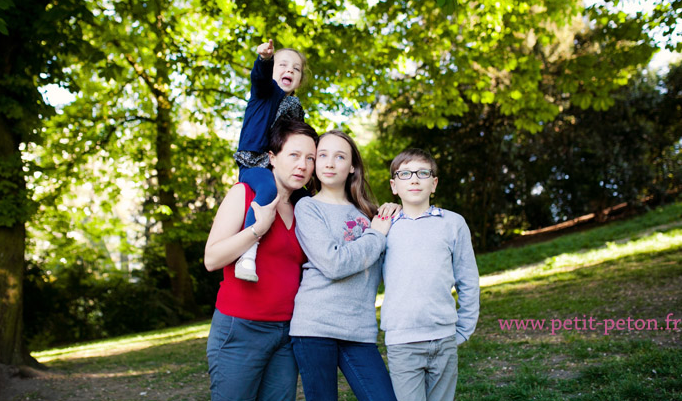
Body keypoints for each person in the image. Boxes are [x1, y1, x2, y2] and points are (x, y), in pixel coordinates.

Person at [204, 118, 318, 401]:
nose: (302, 165)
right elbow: (212, 258)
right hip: (240, 329)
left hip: (287, 333)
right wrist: (257, 229)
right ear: (272, 157)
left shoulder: (305, 209)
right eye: (293, 155)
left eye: (310, 158)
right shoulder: (244, 194)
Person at [290, 130, 399, 401]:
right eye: (322, 155)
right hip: (315, 327)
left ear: (351, 167)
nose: (329, 163)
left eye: (339, 157)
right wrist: (377, 235)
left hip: (359, 329)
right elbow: (334, 263)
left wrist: (398, 213)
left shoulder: (369, 213)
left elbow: (390, 266)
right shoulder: (307, 208)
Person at [381, 148, 480, 401]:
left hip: (444, 337)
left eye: (423, 173)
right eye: (405, 174)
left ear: (433, 183)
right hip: (402, 340)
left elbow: (467, 278)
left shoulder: (453, 223)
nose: (414, 179)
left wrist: (465, 327)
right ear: (394, 186)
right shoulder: (383, 226)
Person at [233, 38, 308, 282]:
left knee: (305, 198)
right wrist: (264, 60)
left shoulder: (294, 106)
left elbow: (299, 139)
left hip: (278, 165)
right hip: (254, 162)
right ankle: (247, 252)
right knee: (267, 187)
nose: (290, 70)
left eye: (296, 69)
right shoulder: (265, 93)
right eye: (283, 65)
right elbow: (260, 78)